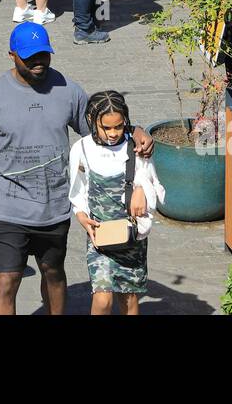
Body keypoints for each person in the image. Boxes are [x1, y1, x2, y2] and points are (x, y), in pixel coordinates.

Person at [0, 23, 154, 315]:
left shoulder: (67, 90)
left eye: (44, 55)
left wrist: (134, 130)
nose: (39, 63)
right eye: (30, 57)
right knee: (5, 282)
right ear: (11, 55)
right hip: (6, 208)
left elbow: (102, 127)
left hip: (53, 208)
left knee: (53, 274)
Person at [68, 91, 165, 315]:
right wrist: (82, 218)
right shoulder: (81, 149)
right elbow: (78, 191)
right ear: (92, 122)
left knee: (129, 300)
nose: (113, 133)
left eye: (119, 126)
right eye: (107, 128)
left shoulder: (137, 147)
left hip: (131, 236)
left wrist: (142, 190)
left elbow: (154, 185)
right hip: (100, 236)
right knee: (102, 300)